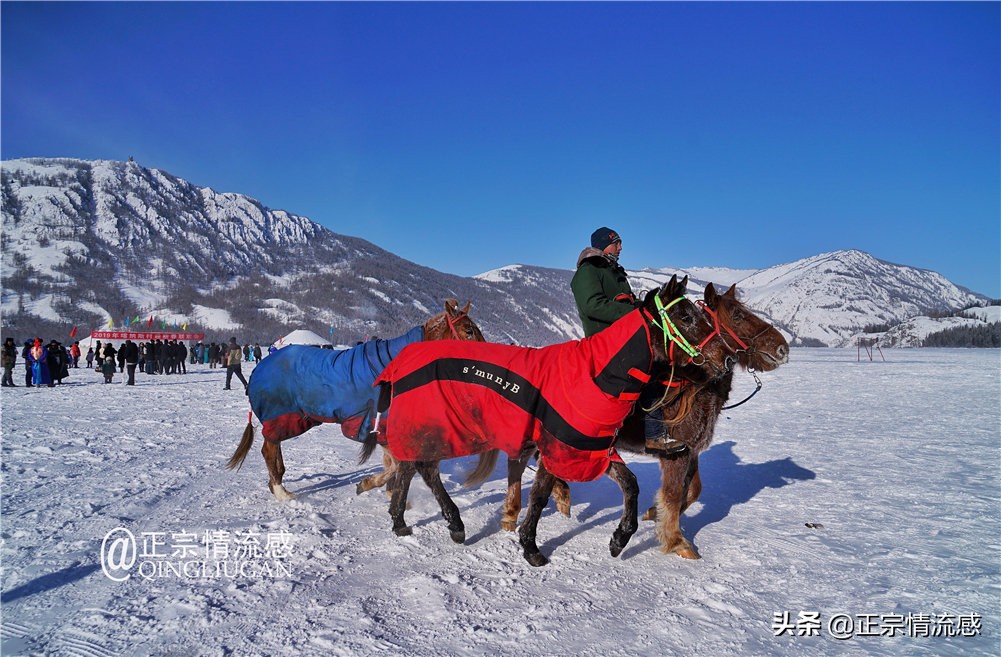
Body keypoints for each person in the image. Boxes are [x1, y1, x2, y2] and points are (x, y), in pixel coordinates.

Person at [570, 227, 687, 456]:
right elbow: (592, 305)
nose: (621, 247)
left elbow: (624, 303)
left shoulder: (614, 271)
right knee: (650, 374)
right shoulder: (589, 271)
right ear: (604, 245)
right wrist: (634, 311)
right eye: (617, 243)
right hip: (605, 343)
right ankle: (653, 436)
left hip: (625, 338)